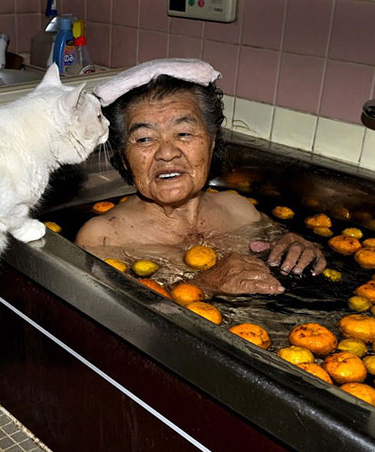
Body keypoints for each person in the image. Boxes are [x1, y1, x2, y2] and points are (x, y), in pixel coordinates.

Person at [75, 58, 326, 296]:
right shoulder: (103, 238)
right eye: (144, 139)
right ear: (123, 158)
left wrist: (296, 246)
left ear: (211, 143)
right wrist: (205, 284)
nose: (167, 153)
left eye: (184, 133)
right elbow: (113, 313)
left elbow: (279, 244)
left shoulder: (239, 210)